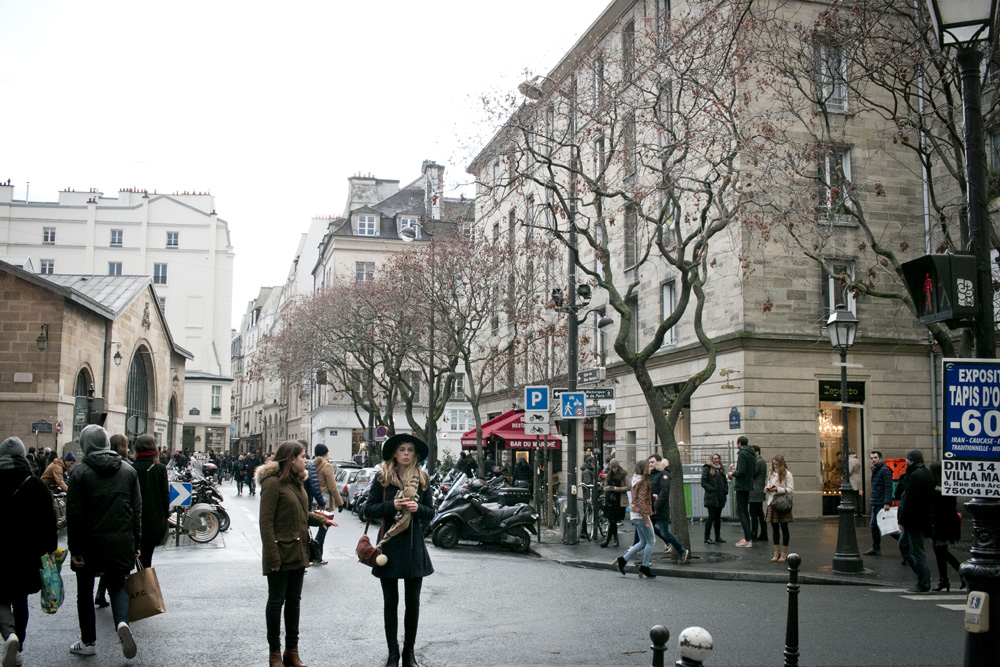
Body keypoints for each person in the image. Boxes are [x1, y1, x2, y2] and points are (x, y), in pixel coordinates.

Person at [258, 441, 337, 667]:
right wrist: (272, 556)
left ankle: (292, 651)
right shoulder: (272, 483)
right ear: (290, 459)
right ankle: (274, 652)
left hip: (298, 551)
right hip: (280, 553)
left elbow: (303, 514)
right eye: (303, 456)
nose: (306, 460)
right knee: (276, 602)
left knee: (294, 603)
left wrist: (322, 520)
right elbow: (265, 523)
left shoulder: (297, 482)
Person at [65, 425, 141, 659]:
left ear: (86, 445)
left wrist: (74, 548)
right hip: (120, 539)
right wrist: (136, 542)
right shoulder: (128, 471)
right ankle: (122, 623)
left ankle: (88, 642)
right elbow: (137, 510)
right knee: (117, 585)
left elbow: (74, 514)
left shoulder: (79, 473)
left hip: (89, 543)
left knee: (85, 591)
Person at [363, 434, 435, 667]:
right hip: (389, 548)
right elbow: (366, 509)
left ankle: (409, 654)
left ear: (415, 454)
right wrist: (390, 506)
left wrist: (418, 508)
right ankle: (393, 653)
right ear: (394, 453)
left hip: (414, 548)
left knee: (413, 603)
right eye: (402, 449)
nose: (406, 453)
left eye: (410, 450)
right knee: (390, 603)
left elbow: (432, 512)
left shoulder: (422, 479)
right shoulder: (382, 477)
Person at [0, 436, 58, 667]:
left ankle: (8, 634)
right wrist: (49, 549)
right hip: (27, 555)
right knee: (20, 600)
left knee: (0, 597)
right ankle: (19, 646)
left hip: (1, 553)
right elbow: (49, 521)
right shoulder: (35, 484)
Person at [898, 449, 935, 593]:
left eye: (907, 459)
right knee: (904, 546)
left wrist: (902, 520)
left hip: (914, 520)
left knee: (917, 552)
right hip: (920, 518)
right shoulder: (926, 473)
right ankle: (922, 577)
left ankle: (923, 582)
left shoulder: (915, 476)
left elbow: (910, 501)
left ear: (910, 460)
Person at [614, 460, 657, 578]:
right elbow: (642, 501)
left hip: (634, 515)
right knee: (651, 542)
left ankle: (623, 560)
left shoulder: (635, 479)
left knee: (643, 542)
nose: (649, 468)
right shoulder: (643, 482)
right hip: (641, 515)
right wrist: (646, 519)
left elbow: (638, 497)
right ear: (643, 468)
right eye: (648, 466)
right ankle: (645, 566)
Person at [133, 435, 169, 568]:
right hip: (153, 520)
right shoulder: (159, 469)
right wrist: (165, 516)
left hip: (134, 519)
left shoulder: (131, 468)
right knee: (146, 558)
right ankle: (144, 586)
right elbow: (165, 496)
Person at [927, 461, 964, 592]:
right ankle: (946, 579)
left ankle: (952, 577)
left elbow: (937, 506)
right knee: (941, 551)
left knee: (940, 551)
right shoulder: (947, 485)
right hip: (947, 522)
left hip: (940, 522)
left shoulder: (935, 487)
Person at [650, 454, 689, 563]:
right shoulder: (652, 475)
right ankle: (642, 557)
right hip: (652, 508)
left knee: (664, 533)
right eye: (649, 462)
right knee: (647, 530)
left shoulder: (664, 474)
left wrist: (655, 506)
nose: (650, 464)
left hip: (661, 509)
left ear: (658, 462)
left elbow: (663, 492)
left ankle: (681, 550)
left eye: (652, 462)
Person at [312, 444, 345, 565]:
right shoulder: (327, 466)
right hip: (324, 501)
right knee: (324, 527)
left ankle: (308, 555)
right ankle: (317, 556)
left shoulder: (310, 465)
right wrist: (339, 502)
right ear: (326, 453)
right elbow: (332, 487)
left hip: (313, 500)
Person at [765, 454, 794, 562]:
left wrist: (778, 489)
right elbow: (768, 484)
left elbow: (790, 489)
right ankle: (776, 552)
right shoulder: (772, 473)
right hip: (772, 502)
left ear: (781, 464)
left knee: (784, 528)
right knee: (774, 529)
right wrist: (767, 488)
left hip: (782, 503)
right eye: (774, 464)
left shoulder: (787, 474)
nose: (775, 466)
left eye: (777, 464)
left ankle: (784, 553)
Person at [864, 450, 893, 555]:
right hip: (876, 502)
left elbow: (888, 487)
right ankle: (876, 548)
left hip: (881, 503)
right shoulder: (877, 470)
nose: (873, 460)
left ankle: (905, 545)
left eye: (875, 458)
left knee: (888, 528)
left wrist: (887, 502)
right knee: (875, 526)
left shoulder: (885, 470)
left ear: (880, 458)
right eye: (871, 458)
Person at [730, 436, 755, 547]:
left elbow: (742, 471)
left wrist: (732, 473)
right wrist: (736, 470)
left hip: (741, 486)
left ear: (739, 443)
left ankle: (747, 539)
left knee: (742, 512)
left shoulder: (742, 454)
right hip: (748, 484)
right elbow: (747, 470)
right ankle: (748, 537)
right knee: (745, 511)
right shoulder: (752, 453)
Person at [599, 458, 628, 548]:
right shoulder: (609, 475)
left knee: (613, 521)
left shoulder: (623, 475)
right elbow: (605, 486)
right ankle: (613, 540)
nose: (614, 469)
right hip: (610, 500)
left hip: (619, 501)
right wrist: (607, 488)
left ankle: (609, 541)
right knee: (612, 521)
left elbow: (628, 487)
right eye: (613, 467)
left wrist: (616, 489)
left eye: (616, 467)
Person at [701, 453, 728, 545]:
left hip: (720, 497)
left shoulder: (721, 469)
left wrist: (725, 491)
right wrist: (711, 490)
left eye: (718, 458)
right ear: (711, 459)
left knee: (717, 518)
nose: (717, 460)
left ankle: (717, 536)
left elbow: (725, 482)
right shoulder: (707, 469)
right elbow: (703, 482)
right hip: (711, 497)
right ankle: (706, 537)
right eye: (715, 458)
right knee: (711, 517)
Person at [749, 445, 768, 541]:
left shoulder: (759, 462)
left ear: (757, 452)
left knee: (754, 513)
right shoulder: (760, 461)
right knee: (759, 513)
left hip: (755, 491)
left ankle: (755, 533)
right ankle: (762, 533)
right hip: (757, 491)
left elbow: (753, 473)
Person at [848, 450, 863, 516]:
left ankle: (855, 510)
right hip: (857, 478)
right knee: (858, 496)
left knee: (853, 495)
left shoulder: (850, 461)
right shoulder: (857, 460)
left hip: (852, 479)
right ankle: (860, 510)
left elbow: (849, 471)